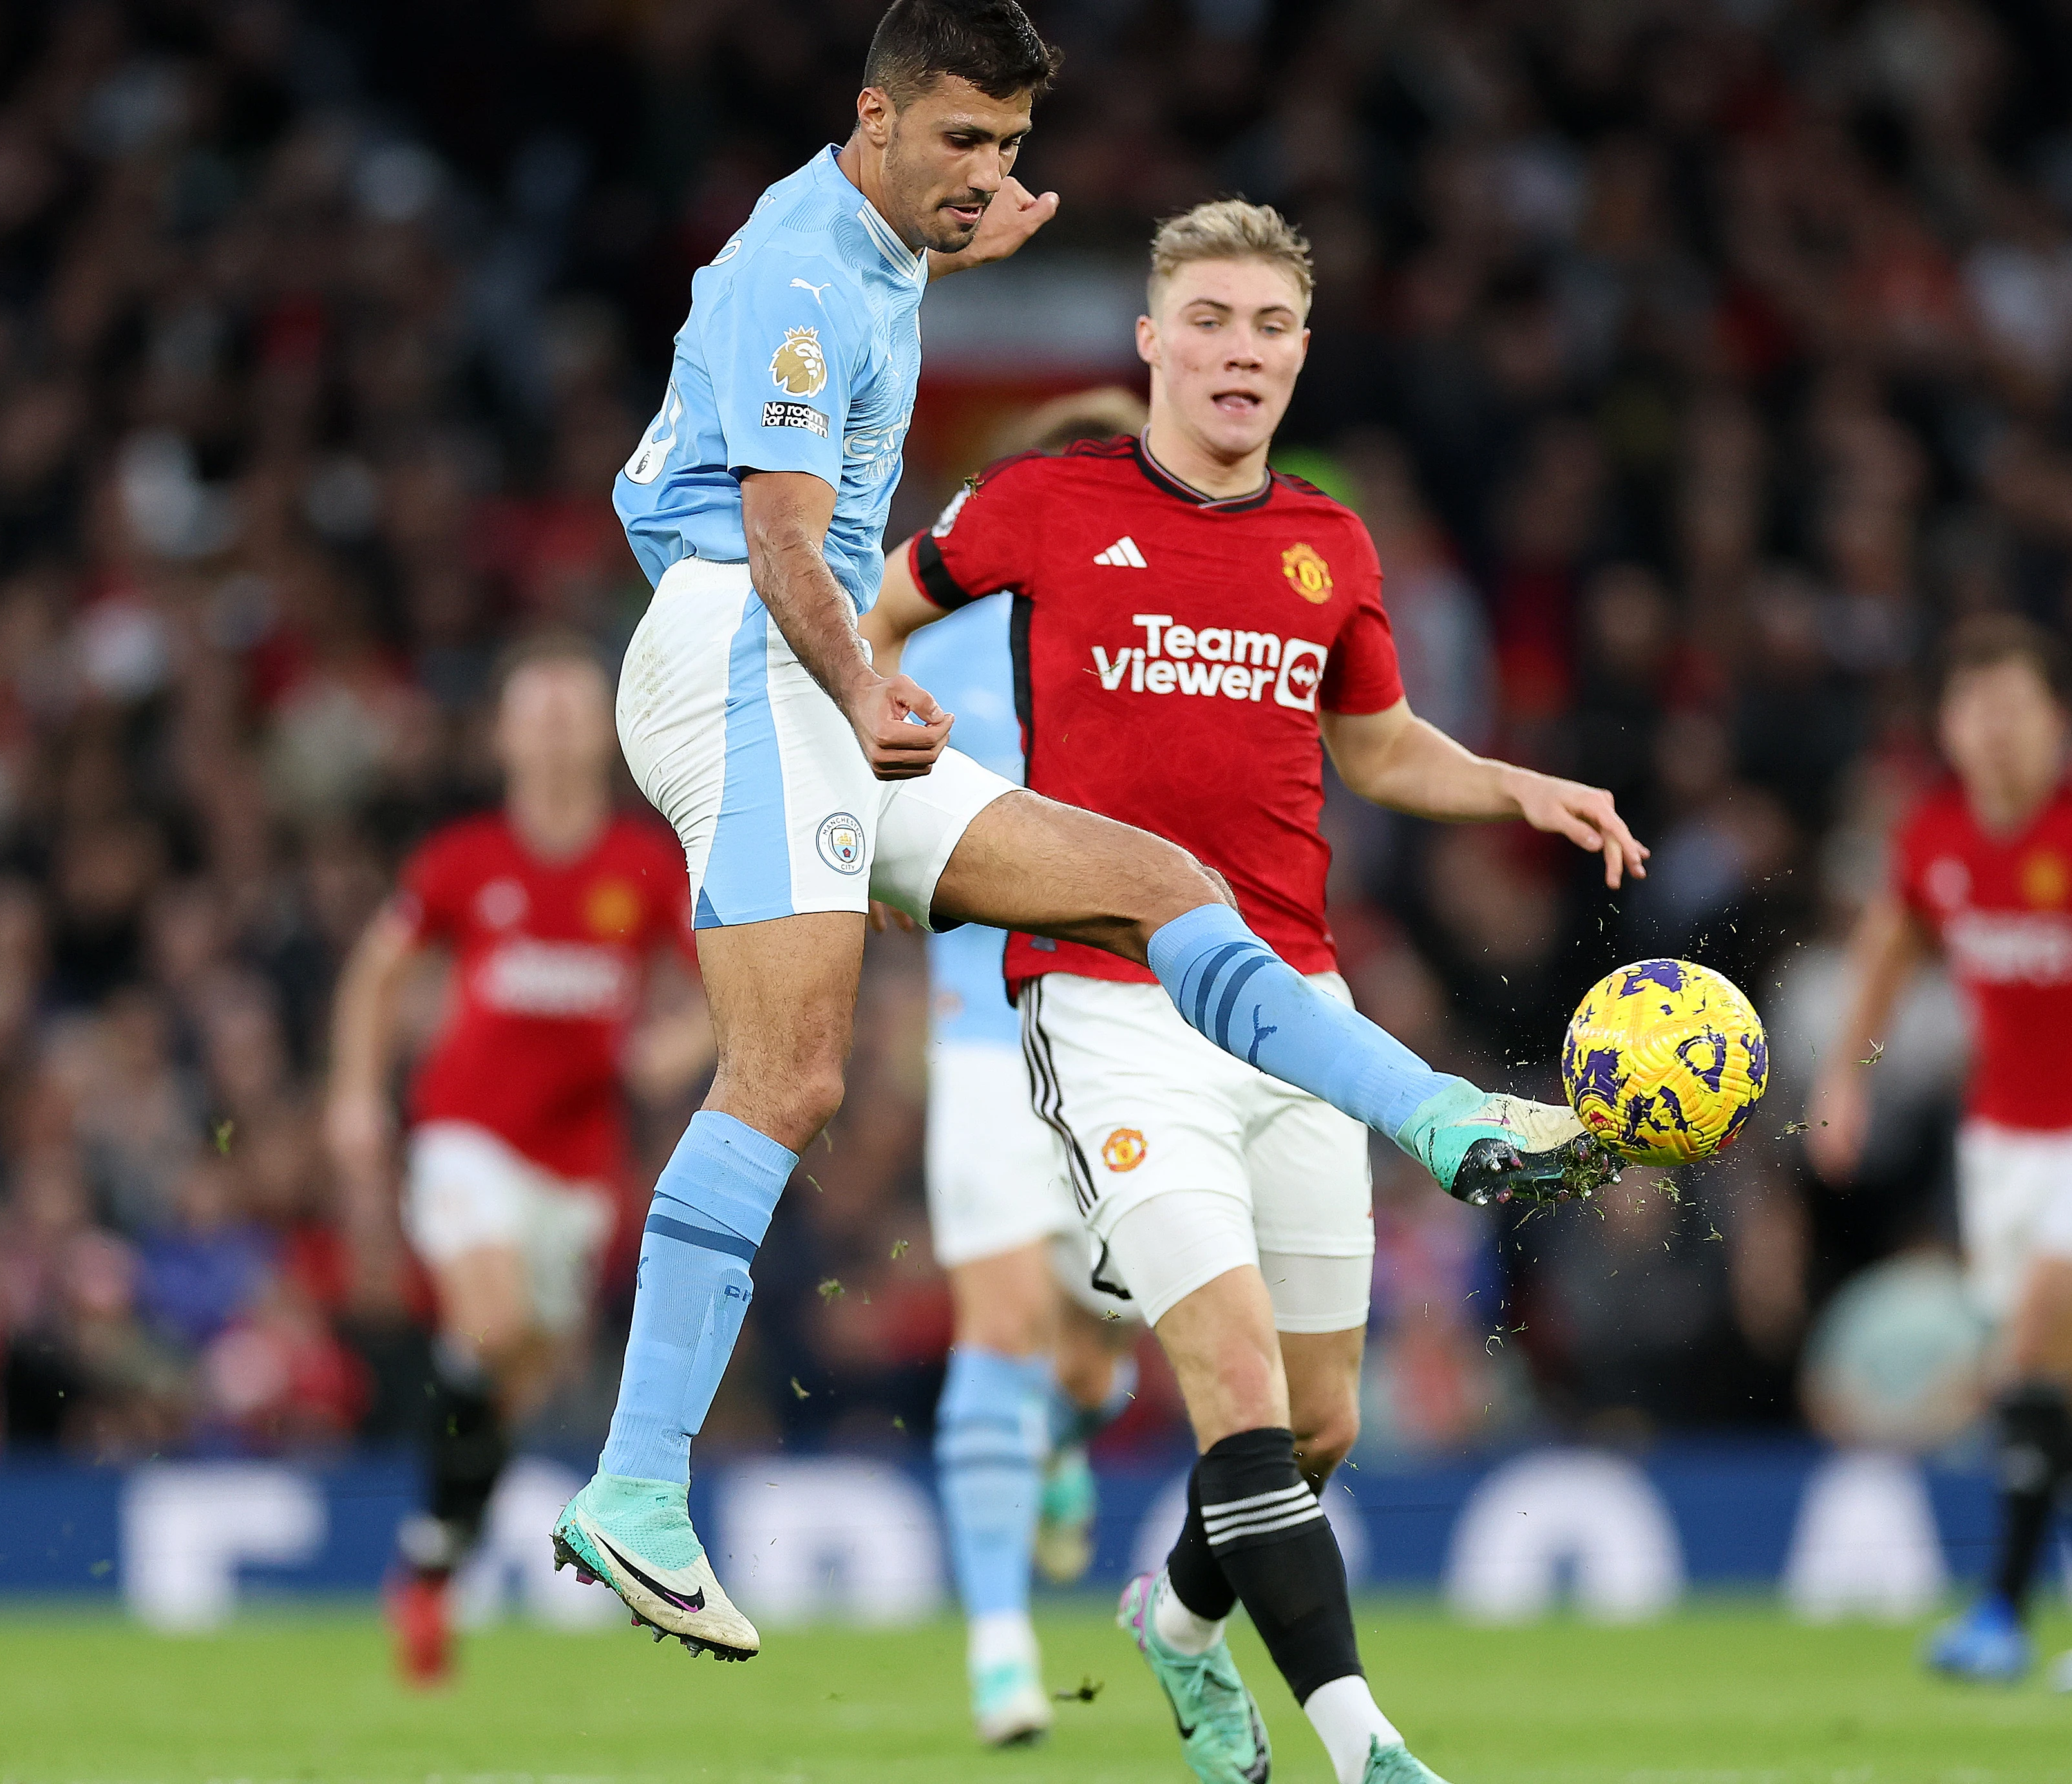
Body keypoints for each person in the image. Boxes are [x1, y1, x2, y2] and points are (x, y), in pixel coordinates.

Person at [563, 0, 1616, 1668]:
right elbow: (780, 543)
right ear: (873, 114)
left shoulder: (878, 240)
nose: (986, 175)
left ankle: (1428, 1114)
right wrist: (869, 686)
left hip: (790, 662)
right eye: (961, 145)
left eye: (1009, 150)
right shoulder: (794, 263)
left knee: (1156, 884)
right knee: (789, 1074)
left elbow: (872, 324)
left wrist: (969, 237)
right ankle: (632, 1485)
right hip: (751, 649)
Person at [860, 199, 1648, 1784]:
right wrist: (867, 698)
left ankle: (1173, 1624)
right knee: (1228, 1395)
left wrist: (1510, 787)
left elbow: (1372, 746)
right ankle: (1366, 1748)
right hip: (1103, 999)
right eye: (1207, 321)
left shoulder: (1328, 545)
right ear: (1151, 342)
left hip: (1295, 1004)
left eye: (1267, 327)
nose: (1237, 351)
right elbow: (874, 606)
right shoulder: (1043, 503)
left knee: (1316, 1428)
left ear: (1298, 353)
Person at [1806, 616, 2072, 1691]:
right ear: (1950, 726)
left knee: (2037, 1328)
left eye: (2017, 709)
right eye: (1977, 710)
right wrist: (1844, 1075)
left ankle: (2001, 1606)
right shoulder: (1937, 832)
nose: (1997, 733)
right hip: (2001, 1142)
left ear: (2057, 717)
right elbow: (1886, 949)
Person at [325, 640, 708, 1689]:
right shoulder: (463, 861)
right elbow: (375, 969)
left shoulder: (641, 867)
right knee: (491, 1325)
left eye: (571, 710)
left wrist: (667, 1053)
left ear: (607, 731)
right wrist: (357, 1096)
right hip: (466, 1133)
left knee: (509, 1379)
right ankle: (437, 1545)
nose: (551, 728)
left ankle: (430, 1564)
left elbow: (726, 984)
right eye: (533, 709)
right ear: (500, 735)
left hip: (579, 1165)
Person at [903, 387, 1151, 1747]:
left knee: (1085, 1355)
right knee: (996, 1324)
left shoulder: (1160, 648)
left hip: (1127, 1037)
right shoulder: (931, 642)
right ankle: (999, 1646)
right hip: (980, 1035)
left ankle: (1066, 1439)